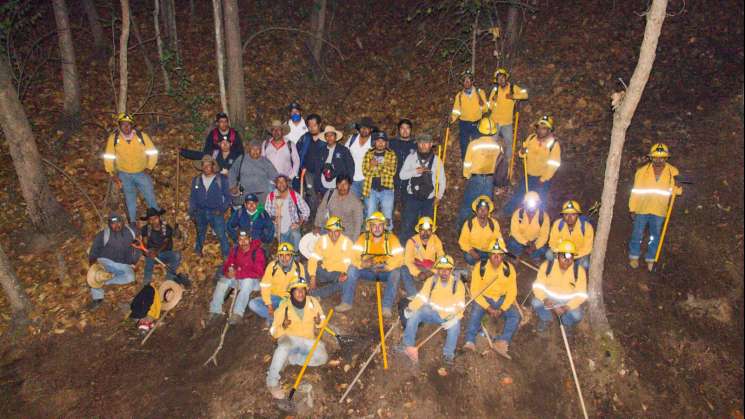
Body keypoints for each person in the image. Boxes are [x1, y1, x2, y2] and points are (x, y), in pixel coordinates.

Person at [266, 278, 327, 400]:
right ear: (291, 293)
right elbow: (273, 331)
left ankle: (292, 359)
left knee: (322, 358)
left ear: (306, 291)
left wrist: (319, 322)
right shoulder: (284, 307)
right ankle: (272, 381)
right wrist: (283, 326)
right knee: (283, 347)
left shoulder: (313, 302)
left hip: (307, 340)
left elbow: (322, 319)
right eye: (296, 290)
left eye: (302, 290)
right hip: (289, 338)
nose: (300, 293)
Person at [336, 212, 404, 316]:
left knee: (396, 273)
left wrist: (386, 267)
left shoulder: (391, 238)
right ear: (370, 227)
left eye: (380, 225)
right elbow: (353, 256)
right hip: (368, 271)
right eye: (374, 225)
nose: (377, 228)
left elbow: (400, 258)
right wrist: (362, 264)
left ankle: (386, 307)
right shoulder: (363, 238)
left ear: (384, 226)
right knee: (352, 269)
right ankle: (346, 302)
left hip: (384, 272)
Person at [401, 255, 465, 365]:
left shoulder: (458, 284)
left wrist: (454, 318)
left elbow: (460, 305)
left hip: (448, 317)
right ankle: (407, 345)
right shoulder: (431, 281)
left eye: (447, 269)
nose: (444, 272)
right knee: (415, 314)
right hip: (432, 312)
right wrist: (411, 308)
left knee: (455, 327)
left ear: (451, 270)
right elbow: (422, 297)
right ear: (437, 270)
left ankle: (448, 355)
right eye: (441, 269)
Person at [628, 143, 682, 271]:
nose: (659, 160)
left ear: (666, 158)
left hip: (659, 210)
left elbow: (677, 192)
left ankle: (650, 258)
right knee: (637, 233)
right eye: (656, 157)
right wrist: (632, 208)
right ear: (651, 157)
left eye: (662, 157)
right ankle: (634, 256)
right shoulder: (642, 172)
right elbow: (635, 191)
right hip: (642, 208)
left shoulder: (673, 172)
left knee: (655, 235)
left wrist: (678, 185)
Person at [463, 238, 519, 359]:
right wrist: (488, 308)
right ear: (489, 254)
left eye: (499, 255)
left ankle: (502, 342)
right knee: (475, 312)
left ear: (503, 256)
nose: (496, 257)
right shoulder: (480, 267)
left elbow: (512, 292)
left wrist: (502, 309)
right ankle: (470, 341)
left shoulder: (509, 270)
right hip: (485, 298)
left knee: (515, 316)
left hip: (500, 299)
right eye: (493, 254)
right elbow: (475, 291)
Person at [103, 113, 160, 224]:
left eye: (128, 124)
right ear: (119, 126)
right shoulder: (114, 139)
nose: (126, 127)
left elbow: (153, 152)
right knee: (130, 199)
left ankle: (156, 218)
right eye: (123, 125)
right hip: (124, 175)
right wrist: (112, 173)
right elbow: (108, 157)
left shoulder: (142, 137)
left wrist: (149, 167)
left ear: (132, 125)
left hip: (141, 173)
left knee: (150, 195)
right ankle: (133, 223)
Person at [503, 115, 561, 215]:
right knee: (519, 195)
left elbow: (554, 165)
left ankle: (540, 219)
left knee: (540, 200)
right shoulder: (531, 138)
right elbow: (522, 154)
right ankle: (506, 212)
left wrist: (544, 179)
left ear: (549, 130)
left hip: (542, 179)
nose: (540, 130)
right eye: (539, 127)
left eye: (544, 128)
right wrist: (522, 151)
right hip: (528, 175)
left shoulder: (554, 145)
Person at [457, 117, 508, 228]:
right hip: (489, 179)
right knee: (486, 206)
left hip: (476, 178)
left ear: (480, 129)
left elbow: (467, 163)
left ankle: (462, 228)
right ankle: (482, 229)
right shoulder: (496, 146)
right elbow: (498, 163)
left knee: (468, 204)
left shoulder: (473, 144)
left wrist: (467, 175)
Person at [208, 230, 267, 325]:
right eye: (240, 240)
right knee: (223, 281)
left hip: (254, 282)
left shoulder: (257, 251)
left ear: (250, 239)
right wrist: (228, 272)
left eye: (245, 239)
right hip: (238, 279)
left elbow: (259, 272)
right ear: (238, 241)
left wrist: (238, 273)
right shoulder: (235, 250)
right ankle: (215, 310)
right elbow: (227, 265)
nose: (243, 242)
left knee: (247, 282)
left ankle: (237, 313)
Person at [531, 240, 587, 333]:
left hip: (567, 302)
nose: (567, 261)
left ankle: (566, 323)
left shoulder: (579, 271)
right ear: (557, 255)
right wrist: (545, 299)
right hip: (549, 300)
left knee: (577, 316)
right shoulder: (547, 266)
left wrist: (567, 307)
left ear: (573, 257)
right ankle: (546, 319)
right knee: (535, 302)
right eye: (563, 256)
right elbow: (537, 286)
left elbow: (582, 295)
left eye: (570, 257)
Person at [87, 214, 140, 310]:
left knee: (130, 277)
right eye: (113, 223)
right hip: (106, 262)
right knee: (95, 275)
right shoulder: (103, 234)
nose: (116, 225)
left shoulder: (131, 232)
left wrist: (133, 262)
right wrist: (93, 267)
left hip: (123, 264)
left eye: (118, 222)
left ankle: (106, 281)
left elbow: (140, 243)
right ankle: (97, 297)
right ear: (109, 224)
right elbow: (93, 251)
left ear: (123, 222)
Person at [398, 134, 446, 243]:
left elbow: (442, 180)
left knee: (426, 226)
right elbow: (402, 175)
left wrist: (439, 196)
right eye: (421, 143)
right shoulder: (411, 157)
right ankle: (404, 248)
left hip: (429, 199)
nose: (423, 145)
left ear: (431, 144)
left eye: (426, 143)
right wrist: (416, 171)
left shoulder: (437, 161)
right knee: (408, 224)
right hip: (412, 197)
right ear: (418, 144)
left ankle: (425, 250)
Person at [249, 242, 306, 325]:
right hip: (275, 298)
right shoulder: (272, 267)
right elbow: (265, 287)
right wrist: (269, 304)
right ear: (278, 256)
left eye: (287, 255)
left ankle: (275, 318)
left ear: (292, 255)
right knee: (253, 304)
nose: (284, 258)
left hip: (290, 300)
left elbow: (302, 287)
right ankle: (277, 317)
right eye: (281, 255)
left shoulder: (299, 267)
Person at [188, 155, 232, 257]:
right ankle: (197, 255)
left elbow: (228, 197)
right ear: (202, 166)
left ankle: (227, 256)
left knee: (221, 235)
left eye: (209, 165)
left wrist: (221, 209)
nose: (206, 167)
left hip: (215, 212)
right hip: (200, 211)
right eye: (204, 165)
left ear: (213, 166)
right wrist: (192, 211)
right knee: (200, 234)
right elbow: (193, 197)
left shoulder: (221, 179)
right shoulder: (197, 180)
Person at [487, 68, 528, 163]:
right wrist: (493, 100)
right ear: (496, 81)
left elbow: (525, 94)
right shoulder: (495, 91)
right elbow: (490, 107)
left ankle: (508, 162)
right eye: (498, 79)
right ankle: (491, 161)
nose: (501, 80)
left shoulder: (513, 88)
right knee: (492, 142)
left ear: (506, 78)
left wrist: (513, 96)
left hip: (507, 122)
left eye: (502, 77)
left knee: (509, 142)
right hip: (495, 121)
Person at [308, 216, 354, 299]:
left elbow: (352, 262)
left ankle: (316, 294)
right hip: (324, 271)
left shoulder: (347, 242)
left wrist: (344, 274)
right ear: (327, 231)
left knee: (345, 282)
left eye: (336, 231)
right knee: (306, 267)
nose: (333, 234)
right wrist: (312, 276)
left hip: (338, 274)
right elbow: (313, 259)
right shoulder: (322, 240)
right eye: (330, 231)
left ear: (340, 231)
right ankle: (304, 288)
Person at [401, 217, 445, 299]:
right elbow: (408, 261)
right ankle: (413, 294)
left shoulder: (436, 240)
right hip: (417, 269)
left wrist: (431, 271)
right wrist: (418, 273)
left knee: (446, 269)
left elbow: (441, 258)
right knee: (403, 268)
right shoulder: (411, 241)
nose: (425, 233)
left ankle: (434, 294)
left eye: (428, 230)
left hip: (430, 269)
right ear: (418, 230)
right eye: (423, 230)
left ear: (432, 231)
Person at [450, 70, 488, 161]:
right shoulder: (459, 96)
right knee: (464, 145)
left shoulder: (480, 93)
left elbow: (485, 109)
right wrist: (452, 119)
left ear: (472, 81)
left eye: (468, 80)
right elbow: (456, 111)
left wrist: (482, 104)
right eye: (464, 80)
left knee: (477, 145)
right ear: (462, 82)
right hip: (464, 124)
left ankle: (477, 164)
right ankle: (465, 166)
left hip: (477, 123)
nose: (466, 82)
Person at [361, 131, 397, 228]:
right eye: (378, 141)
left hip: (387, 190)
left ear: (386, 143)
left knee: (387, 218)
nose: (380, 143)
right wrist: (382, 166)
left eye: (383, 141)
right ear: (374, 142)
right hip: (370, 190)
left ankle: (388, 239)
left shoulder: (391, 154)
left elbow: (392, 171)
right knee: (370, 216)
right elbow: (365, 172)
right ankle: (368, 239)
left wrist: (375, 165)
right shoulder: (368, 154)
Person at [265, 175, 311, 248]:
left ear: (287, 183)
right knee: (283, 249)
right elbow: (267, 213)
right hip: (277, 228)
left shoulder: (294, 195)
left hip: (291, 227)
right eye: (278, 182)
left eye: (283, 181)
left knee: (296, 235)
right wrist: (274, 218)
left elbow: (306, 211)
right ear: (276, 184)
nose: (281, 184)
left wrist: (298, 223)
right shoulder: (271, 196)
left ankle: (296, 255)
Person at [139, 207, 182, 286]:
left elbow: (165, 243)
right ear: (148, 220)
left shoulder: (166, 227)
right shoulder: (145, 229)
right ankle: (146, 283)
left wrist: (157, 252)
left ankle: (169, 279)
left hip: (165, 254)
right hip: (152, 256)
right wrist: (146, 252)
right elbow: (144, 242)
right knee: (149, 258)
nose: (153, 221)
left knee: (177, 255)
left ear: (159, 217)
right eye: (151, 219)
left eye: (155, 218)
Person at [547, 200, 594, 270]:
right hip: (561, 253)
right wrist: (561, 255)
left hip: (578, 255)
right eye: (566, 214)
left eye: (573, 214)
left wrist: (571, 257)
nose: (569, 217)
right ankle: (557, 270)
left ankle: (577, 274)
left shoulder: (586, 227)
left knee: (585, 264)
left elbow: (587, 248)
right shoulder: (558, 224)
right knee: (549, 254)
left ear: (577, 215)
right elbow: (552, 242)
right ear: (563, 215)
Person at [314, 175, 364, 240]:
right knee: (314, 240)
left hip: (347, 232)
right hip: (330, 228)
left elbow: (358, 223)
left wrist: (353, 242)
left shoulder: (355, 202)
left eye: (345, 184)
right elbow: (321, 209)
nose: (342, 187)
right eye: (340, 184)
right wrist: (318, 226)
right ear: (337, 185)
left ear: (350, 185)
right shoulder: (330, 194)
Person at [179, 112, 244, 161]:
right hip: (217, 158)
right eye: (221, 122)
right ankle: (182, 151)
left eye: (225, 121)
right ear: (217, 123)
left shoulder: (234, 134)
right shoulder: (213, 134)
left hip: (231, 158)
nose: (224, 124)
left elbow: (240, 151)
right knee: (202, 155)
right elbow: (207, 151)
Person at [229, 139, 279, 204]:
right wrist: (232, 186)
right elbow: (232, 171)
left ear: (261, 151)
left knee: (260, 213)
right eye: (253, 149)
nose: (255, 151)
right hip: (244, 195)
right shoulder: (242, 159)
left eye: (258, 149)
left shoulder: (265, 161)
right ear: (249, 150)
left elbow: (275, 176)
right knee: (244, 213)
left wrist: (283, 186)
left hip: (261, 196)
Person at [458, 195, 504, 265]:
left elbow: (499, 240)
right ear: (476, 211)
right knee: (469, 257)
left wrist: (496, 252)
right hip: (475, 250)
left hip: (489, 251)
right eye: (480, 209)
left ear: (488, 211)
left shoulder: (494, 224)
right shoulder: (469, 224)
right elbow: (462, 241)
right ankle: (474, 265)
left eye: (485, 209)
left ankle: (486, 264)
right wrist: (471, 251)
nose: (482, 211)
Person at [507, 191, 551, 262]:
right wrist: (526, 242)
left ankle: (534, 257)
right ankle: (516, 254)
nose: (531, 206)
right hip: (520, 240)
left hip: (534, 242)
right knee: (512, 243)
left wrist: (535, 247)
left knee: (545, 250)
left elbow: (544, 236)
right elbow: (514, 232)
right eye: (528, 203)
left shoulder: (544, 217)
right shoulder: (518, 214)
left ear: (538, 204)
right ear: (524, 204)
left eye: (534, 203)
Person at [315, 125, 355, 197]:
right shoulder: (321, 151)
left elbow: (350, 167)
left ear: (336, 137)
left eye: (332, 135)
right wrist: (318, 186)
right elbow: (317, 169)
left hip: (339, 186)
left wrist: (347, 183)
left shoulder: (343, 150)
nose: (329, 137)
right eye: (327, 136)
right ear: (325, 137)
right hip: (324, 185)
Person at [294, 113, 325, 203]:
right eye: (309, 126)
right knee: (309, 197)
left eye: (314, 125)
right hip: (306, 172)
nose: (311, 128)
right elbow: (296, 153)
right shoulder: (305, 138)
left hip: (322, 173)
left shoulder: (326, 138)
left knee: (321, 197)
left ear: (319, 125)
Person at [389, 119, 417, 213]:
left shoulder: (416, 144)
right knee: (389, 208)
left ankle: (407, 227)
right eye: (402, 128)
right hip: (393, 181)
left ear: (411, 130)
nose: (405, 131)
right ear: (398, 130)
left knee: (408, 210)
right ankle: (388, 227)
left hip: (409, 182)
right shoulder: (391, 143)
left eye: (407, 128)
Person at [347, 116, 376, 197]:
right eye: (362, 127)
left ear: (371, 129)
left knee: (368, 206)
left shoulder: (374, 143)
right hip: (352, 179)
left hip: (367, 180)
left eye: (367, 128)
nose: (364, 130)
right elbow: (344, 154)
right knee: (353, 205)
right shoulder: (352, 139)